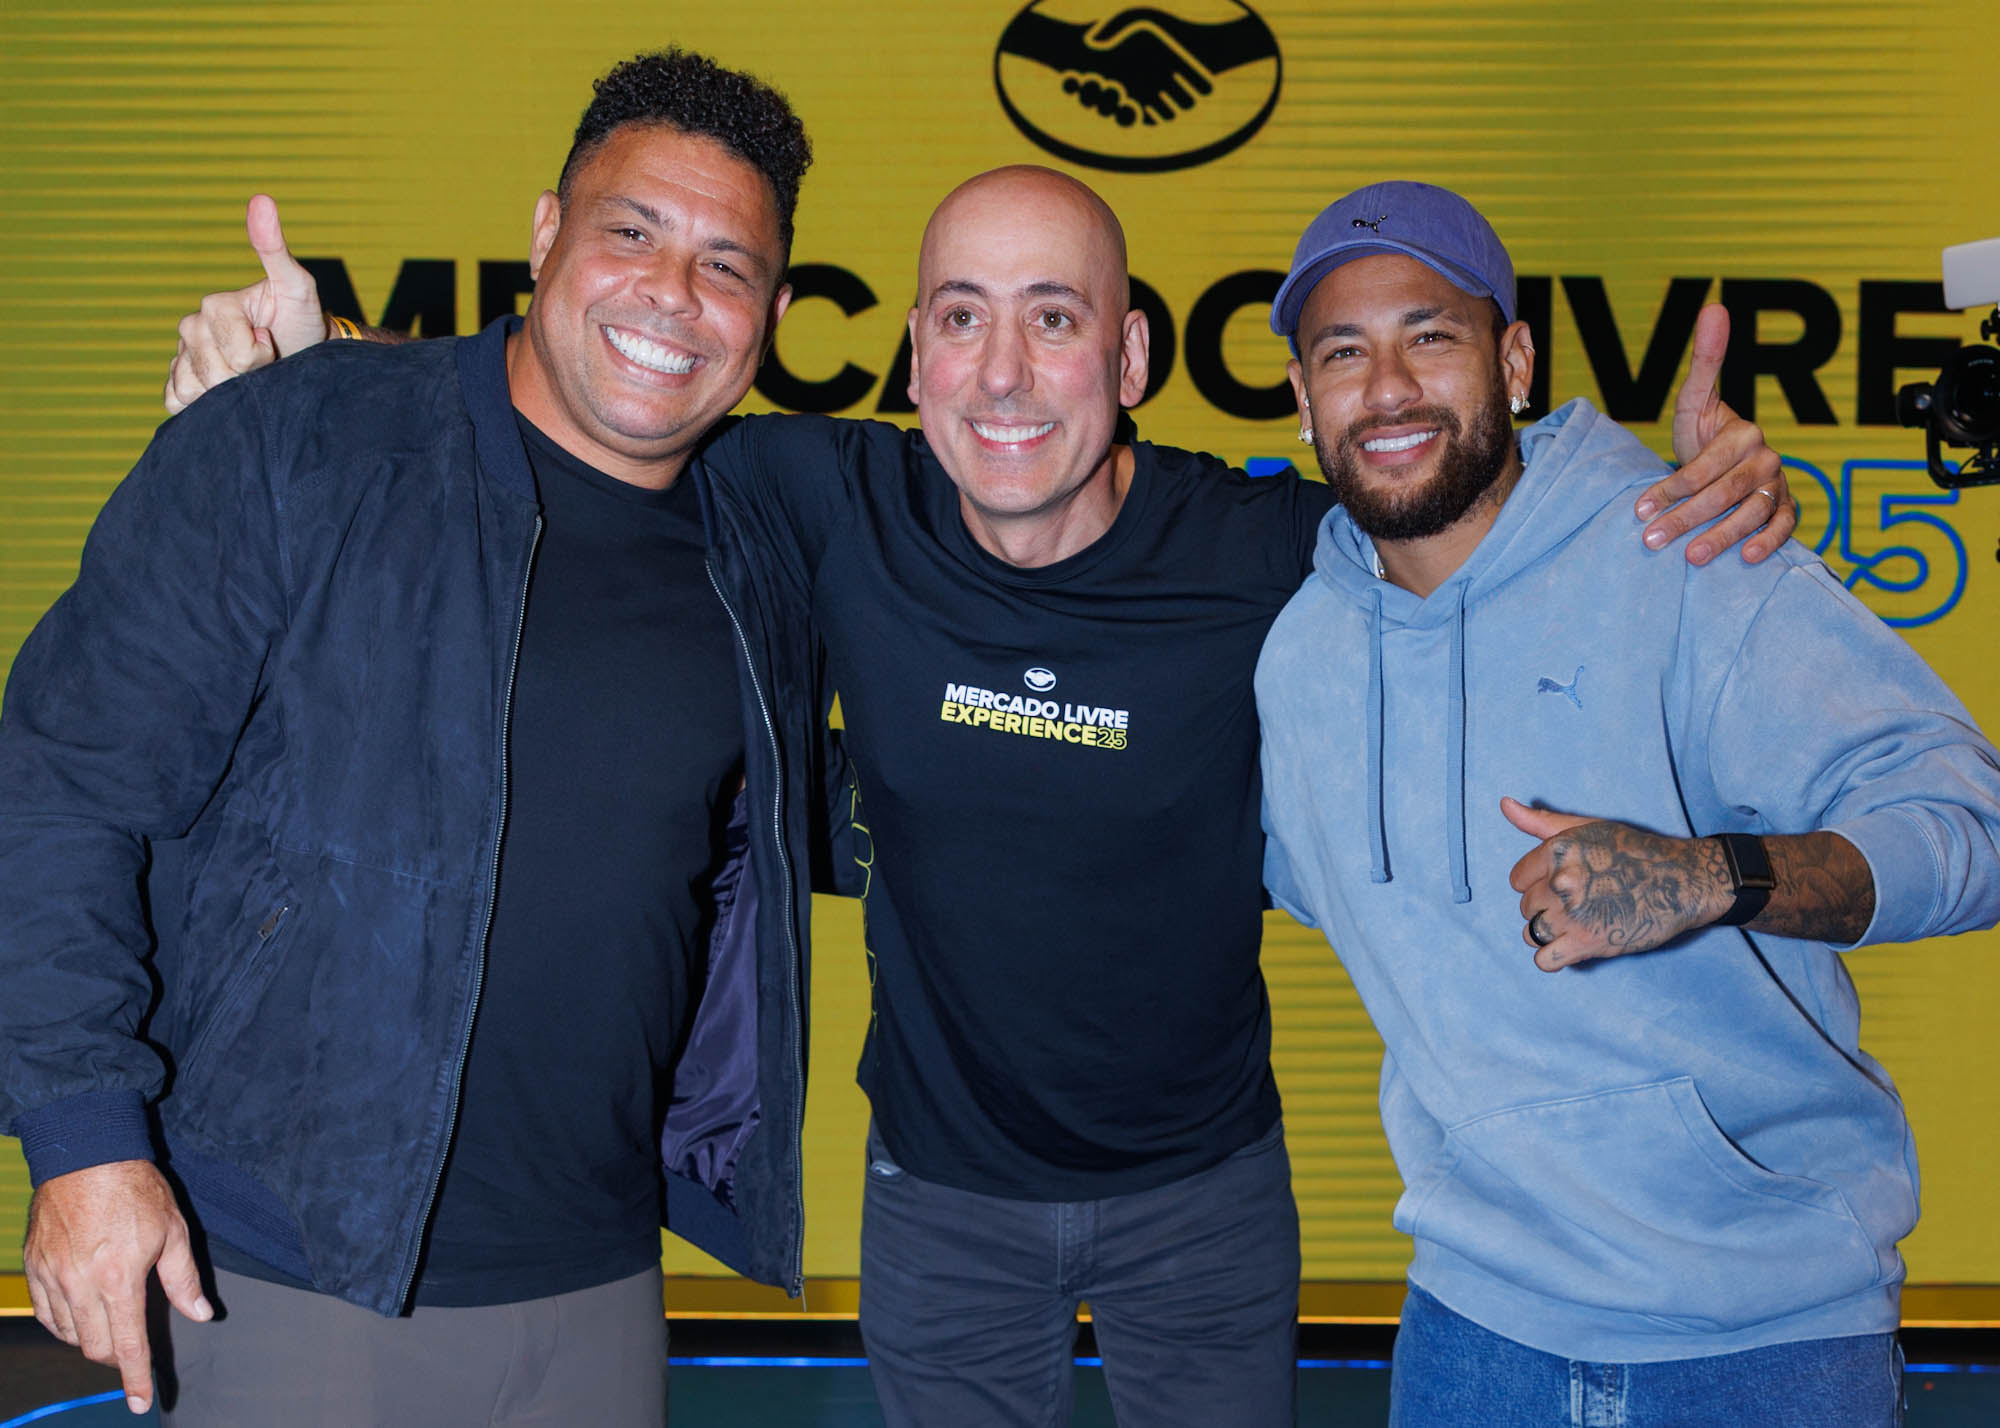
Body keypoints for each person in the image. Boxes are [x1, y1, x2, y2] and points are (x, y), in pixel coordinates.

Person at [149, 163, 1788, 1427]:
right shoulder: (825, 497)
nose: (1005, 373)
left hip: (1204, 1196)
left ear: (1127, 355)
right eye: (961, 317)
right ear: (916, 351)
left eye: (1055, 319)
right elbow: (574, 409)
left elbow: (1470, 507)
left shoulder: (1261, 550)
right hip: (940, 1199)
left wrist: (1663, 480)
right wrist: (329, 369)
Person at [0, 50, 854, 1426]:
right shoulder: (296, 443)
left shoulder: (761, 529)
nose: (671, 293)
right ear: (545, 233)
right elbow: (59, 789)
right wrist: (85, 1144)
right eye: (632, 232)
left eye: (725, 265)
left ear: (775, 314)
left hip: (600, 1285)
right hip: (287, 1278)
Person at [1254, 181, 2000, 1426]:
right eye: (1343, 352)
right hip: (1470, 1338)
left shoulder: (1688, 551)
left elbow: (1970, 826)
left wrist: (1709, 877)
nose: (1385, 388)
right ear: (1300, 395)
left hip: (1766, 1341)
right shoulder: (1297, 660)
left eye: (1428, 336)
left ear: (1512, 361)